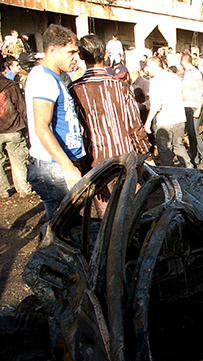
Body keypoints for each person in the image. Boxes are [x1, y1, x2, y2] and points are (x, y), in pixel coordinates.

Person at [68, 35, 151, 215]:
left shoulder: (74, 89)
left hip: (95, 163)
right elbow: (134, 126)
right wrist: (146, 153)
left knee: (107, 218)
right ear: (106, 54)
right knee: (134, 211)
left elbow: (74, 130)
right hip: (124, 159)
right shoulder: (120, 86)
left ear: (81, 56)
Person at [24, 24, 85, 220]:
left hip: (58, 164)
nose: (75, 57)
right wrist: (67, 167)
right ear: (52, 50)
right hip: (54, 167)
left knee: (67, 226)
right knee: (63, 229)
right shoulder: (44, 79)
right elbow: (41, 127)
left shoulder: (55, 77)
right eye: (70, 52)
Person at [144, 56, 191, 168]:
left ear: (154, 66)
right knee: (179, 146)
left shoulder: (155, 81)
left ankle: (170, 174)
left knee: (165, 151)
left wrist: (147, 122)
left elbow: (156, 105)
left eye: (148, 67)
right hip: (179, 118)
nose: (147, 69)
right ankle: (189, 169)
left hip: (165, 120)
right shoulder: (174, 77)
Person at [0, 60, 32, 197]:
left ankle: (3, 190)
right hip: (13, 127)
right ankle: (23, 189)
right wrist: (25, 128)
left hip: (9, 127)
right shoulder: (10, 85)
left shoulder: (11, 84)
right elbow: (21, 107)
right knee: (18, 159)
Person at [180, 53, 203, 167]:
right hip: (187, 105)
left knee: (194, 133)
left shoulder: (195, 73)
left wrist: (198, 108)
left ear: (184, 62)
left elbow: (202, 92)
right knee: (191, 134)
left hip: (194, 106)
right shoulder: (187, 74)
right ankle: (194, 157)